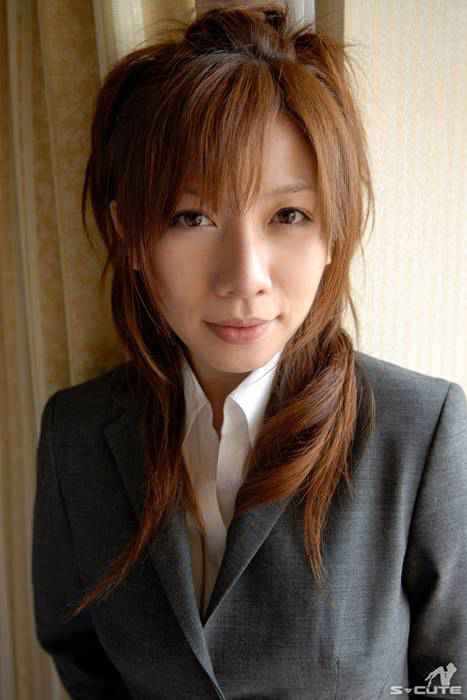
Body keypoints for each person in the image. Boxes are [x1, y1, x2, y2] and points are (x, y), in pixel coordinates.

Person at [32, 3, 467, 699]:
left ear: (333, 231)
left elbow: (451, 678)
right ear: (130, 236)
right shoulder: (76, 433)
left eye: (288, 215)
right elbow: (82, 660)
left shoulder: (421, 430)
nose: (244, 277)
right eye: (192, 216)